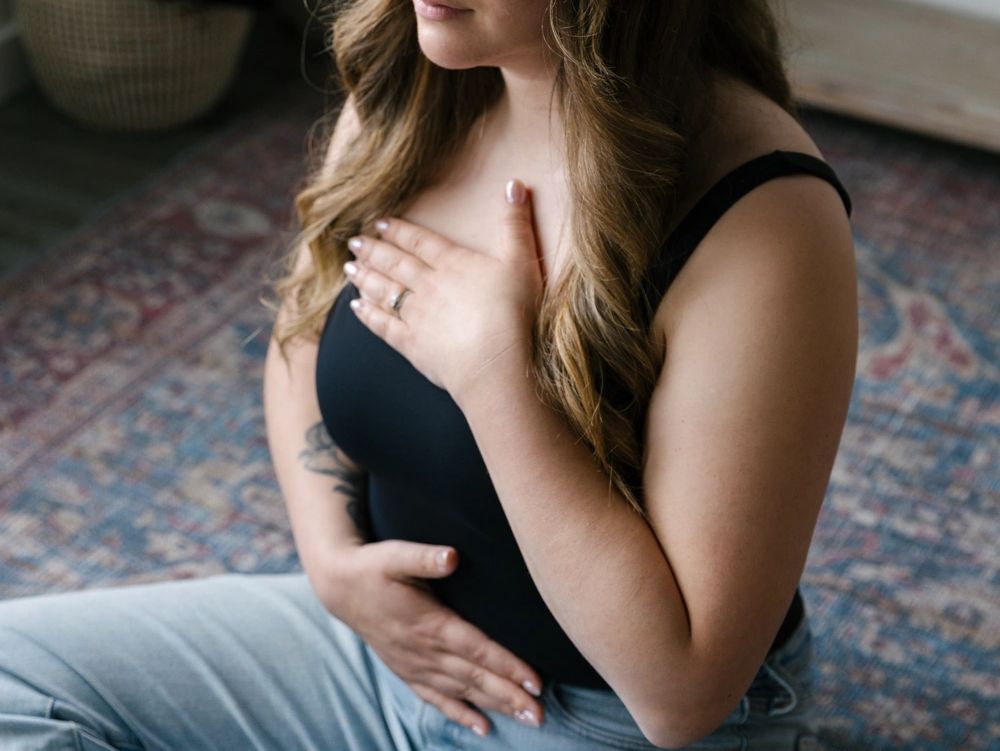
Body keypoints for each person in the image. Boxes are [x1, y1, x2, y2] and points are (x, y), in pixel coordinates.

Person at [0, 0, 858, 749]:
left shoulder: (765, 217)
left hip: (601, 720)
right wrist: (334, 566)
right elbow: (302, 332)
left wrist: (494, 376)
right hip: (382, 658)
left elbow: (682, 695)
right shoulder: (415, 86)